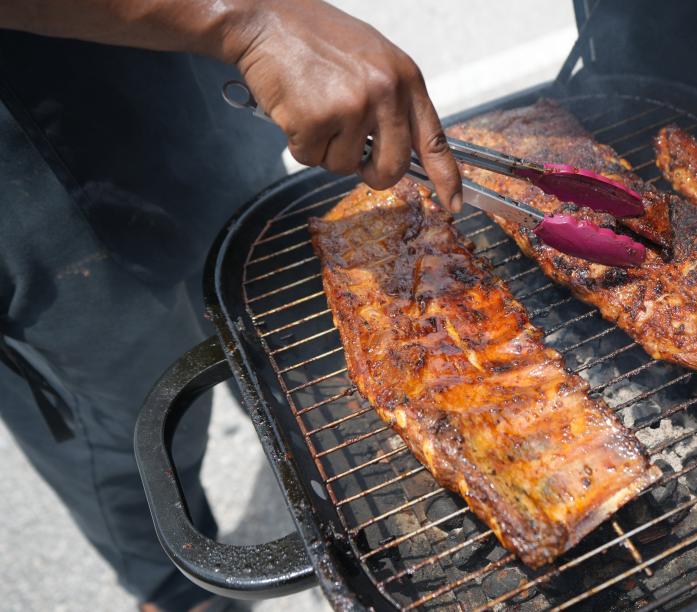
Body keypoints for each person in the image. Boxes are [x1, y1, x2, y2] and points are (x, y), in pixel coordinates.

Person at [0, 1, 462, 610]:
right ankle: (179, 593)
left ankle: (342, 485)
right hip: (29, 178)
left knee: (283, 335)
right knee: (125, 433)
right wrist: (251, 21)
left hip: (190, 82)